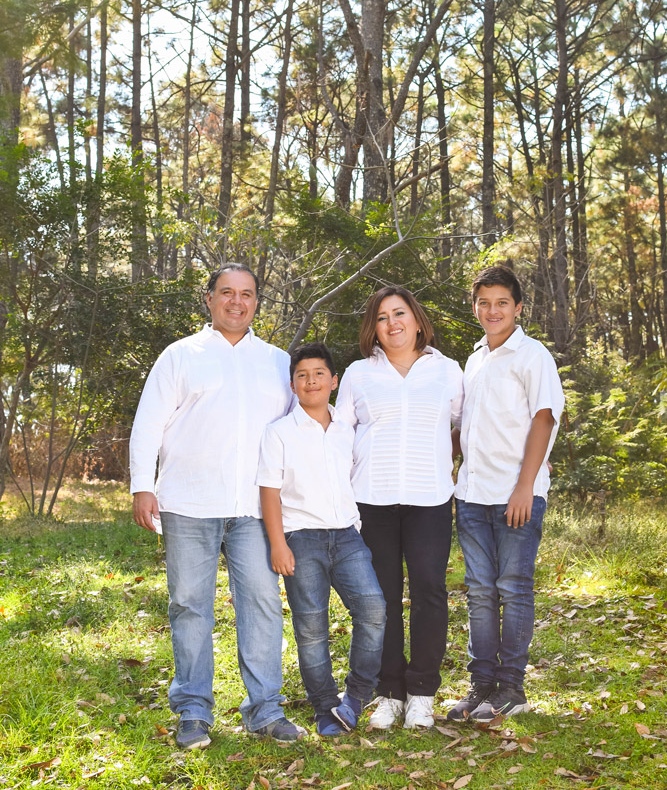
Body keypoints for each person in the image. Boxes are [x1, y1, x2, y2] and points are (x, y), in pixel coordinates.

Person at [130, 263, 305, 750]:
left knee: (264, 604)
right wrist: (143, 485)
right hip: (188, 501)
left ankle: (265, 709)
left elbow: (296, 432)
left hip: (253, 509)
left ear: (256, 302)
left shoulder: (276, 361)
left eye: (246, 294)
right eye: (226, 293)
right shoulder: (181, 356)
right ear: (209, 299)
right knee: (190, 607)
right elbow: (148, 424)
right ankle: (192, 711)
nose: (236, 302)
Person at [335, 286, 463, 730]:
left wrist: (438, 459)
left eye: (400, 313)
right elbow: (340, 435)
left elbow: (465, 426)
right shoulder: (357, 373)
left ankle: (423, 692)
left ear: (416, 318)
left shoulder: (448, 370)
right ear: (374, 326)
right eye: (383, 316)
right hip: (372, 501)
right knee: (383, 598)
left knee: (429, 592)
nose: (393, 323)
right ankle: (389, 692)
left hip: (430, 500)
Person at [447, 265, 565, 723]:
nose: (492, 310)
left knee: (513, 589)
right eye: (484, 302)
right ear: (475, 307)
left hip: (516, 494)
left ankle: (512, 688)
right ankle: (481, 685)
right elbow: (466, 430)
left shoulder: (532, 356)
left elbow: (544, 418)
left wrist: (524, 487)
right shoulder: (474, 360)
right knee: (479, 591)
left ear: (517, 308)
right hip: (472, 493)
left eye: (501, 303)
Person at [258, 342, 386, 737]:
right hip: (301, 540)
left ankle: (355, 698)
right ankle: (325, 709)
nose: (310, 381)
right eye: (302, 375)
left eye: (318, 374)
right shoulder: (279, 432)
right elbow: (269, 490)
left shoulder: (347, 431)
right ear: (293, 384)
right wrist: (278, 543)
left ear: (333, 381)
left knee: (374, 610)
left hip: (347, 537)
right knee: (311, 627)